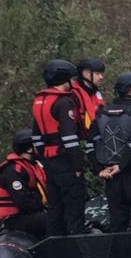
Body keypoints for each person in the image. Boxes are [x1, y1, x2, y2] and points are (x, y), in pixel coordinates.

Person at [89, 72, 131, 233]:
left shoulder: (100, 113)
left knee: (117, 219)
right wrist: (122, 165)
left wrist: (99, 169)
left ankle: (118, 254)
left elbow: (91, 146)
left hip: (110, 175)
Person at [31, 59, 90, 236]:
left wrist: (44, 159)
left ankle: (55, 242)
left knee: (55, 206)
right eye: (71, 79)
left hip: (50, 162)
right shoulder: (64, 103)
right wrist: (78, 165)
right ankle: (76, 243)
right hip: (65, 161)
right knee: (75, 202)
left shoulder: (39, 101)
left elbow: (36, 136)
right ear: (64, 79)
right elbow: (70, 138)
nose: (73, 83)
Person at [0, 128, 48, 238]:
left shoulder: (34, 166)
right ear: (29, 149)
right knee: (54, 220)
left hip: (31, 214)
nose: (41, 147)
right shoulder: (13, 170)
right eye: (37, 144)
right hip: (17, 218)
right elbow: (22, 200)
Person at [73, 57, 106, 132]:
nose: (101, 77)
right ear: (86, 73)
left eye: (101, 74)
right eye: (97, 73)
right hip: (81, 137)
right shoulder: (74, 94)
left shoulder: (95, 93)